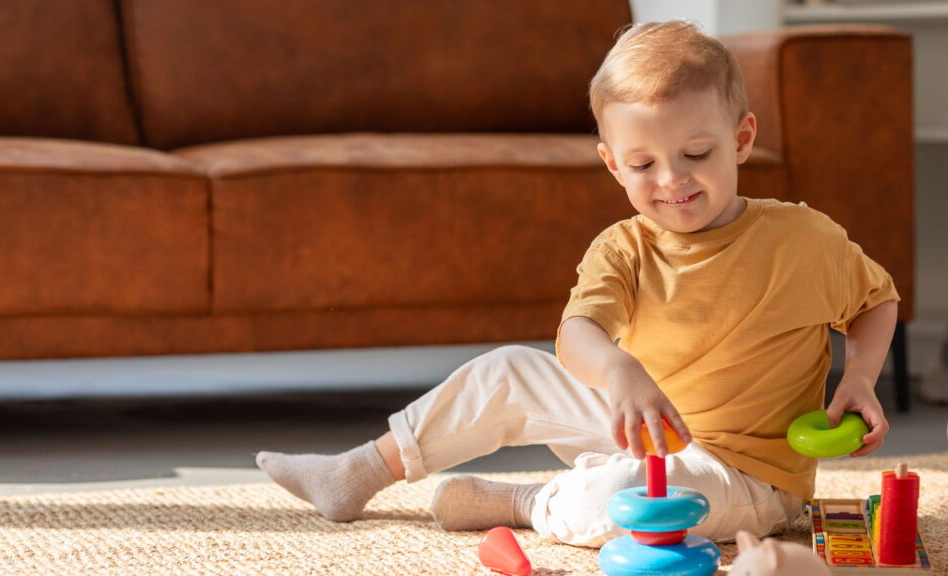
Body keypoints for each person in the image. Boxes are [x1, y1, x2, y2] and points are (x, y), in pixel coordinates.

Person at [256, 20, 900, 548]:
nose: (672, 179)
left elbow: (877, 299)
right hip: (644, 423)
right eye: (643, 163)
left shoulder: (804, 239)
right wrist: (618, 370)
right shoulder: (622, 248)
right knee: (507, 370)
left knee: (627, 501)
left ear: (741, 139)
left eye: (696, 154)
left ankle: (526, 501)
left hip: (749, 475)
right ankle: (357, 471)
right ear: (612, 164)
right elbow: (577, 333)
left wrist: (860, 378)